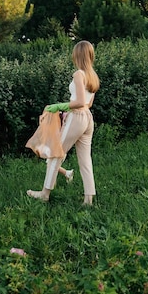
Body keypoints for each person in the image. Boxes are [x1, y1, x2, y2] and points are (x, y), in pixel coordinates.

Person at [27, 40, 101, 206]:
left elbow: (80, 101)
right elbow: (88, 104)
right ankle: (88, 199)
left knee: (55, 154)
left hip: (77, 117)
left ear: (77, 55)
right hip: (88, 119)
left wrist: (57, 106)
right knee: (85, 159)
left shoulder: (79, 74)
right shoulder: (93, 76)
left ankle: (44, 194)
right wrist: (67, 112)